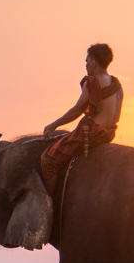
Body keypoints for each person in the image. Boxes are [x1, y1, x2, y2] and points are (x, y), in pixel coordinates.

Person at [40, 43, 123, 193]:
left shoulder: (92, 82)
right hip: (109, 134)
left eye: (87, 61)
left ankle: (50, 205)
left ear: (93, 62)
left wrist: (54, 125)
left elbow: (77, 110)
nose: (85, 65)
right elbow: (116, 116)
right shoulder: (117, 85)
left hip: (92, 134)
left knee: (48, 160)